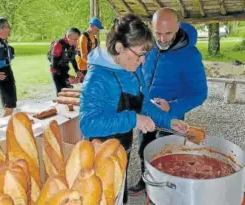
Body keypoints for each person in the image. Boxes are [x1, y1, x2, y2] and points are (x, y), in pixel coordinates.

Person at [79, 13, 189, 204]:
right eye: (140, 55)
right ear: (119, 47)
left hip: (123, 148)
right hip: (100, 153)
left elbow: (145, 106)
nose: (142, 61)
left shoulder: (134, 69)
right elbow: (88, 124)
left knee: (120, 194)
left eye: (145, 55)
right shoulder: (97, 78)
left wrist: (169, 121)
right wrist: (133, 119)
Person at [128, 8, 208, 196]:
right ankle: (144, 180)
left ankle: (164, 191)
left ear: (178, 27)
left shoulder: (190, 55)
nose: (162, 39)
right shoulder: (148, 46)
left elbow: (200, 93)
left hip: (171, 114)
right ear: (151, 27)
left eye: (168, 33)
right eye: (158, 33)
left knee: (166, 154)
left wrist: (172, 106)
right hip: (146, 110)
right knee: (143, 149)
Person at [49, 27, 82, 93]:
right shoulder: (58, 45)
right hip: (57, 72)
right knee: (61, 93)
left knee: (67, 92)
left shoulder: (72, 45)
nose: (76, 42)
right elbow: (54, 66)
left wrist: (77, 71)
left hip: (64, 70)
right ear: (68, 37)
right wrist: (68, 77)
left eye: (77, 39)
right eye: (75, 39)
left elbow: (73, 59)